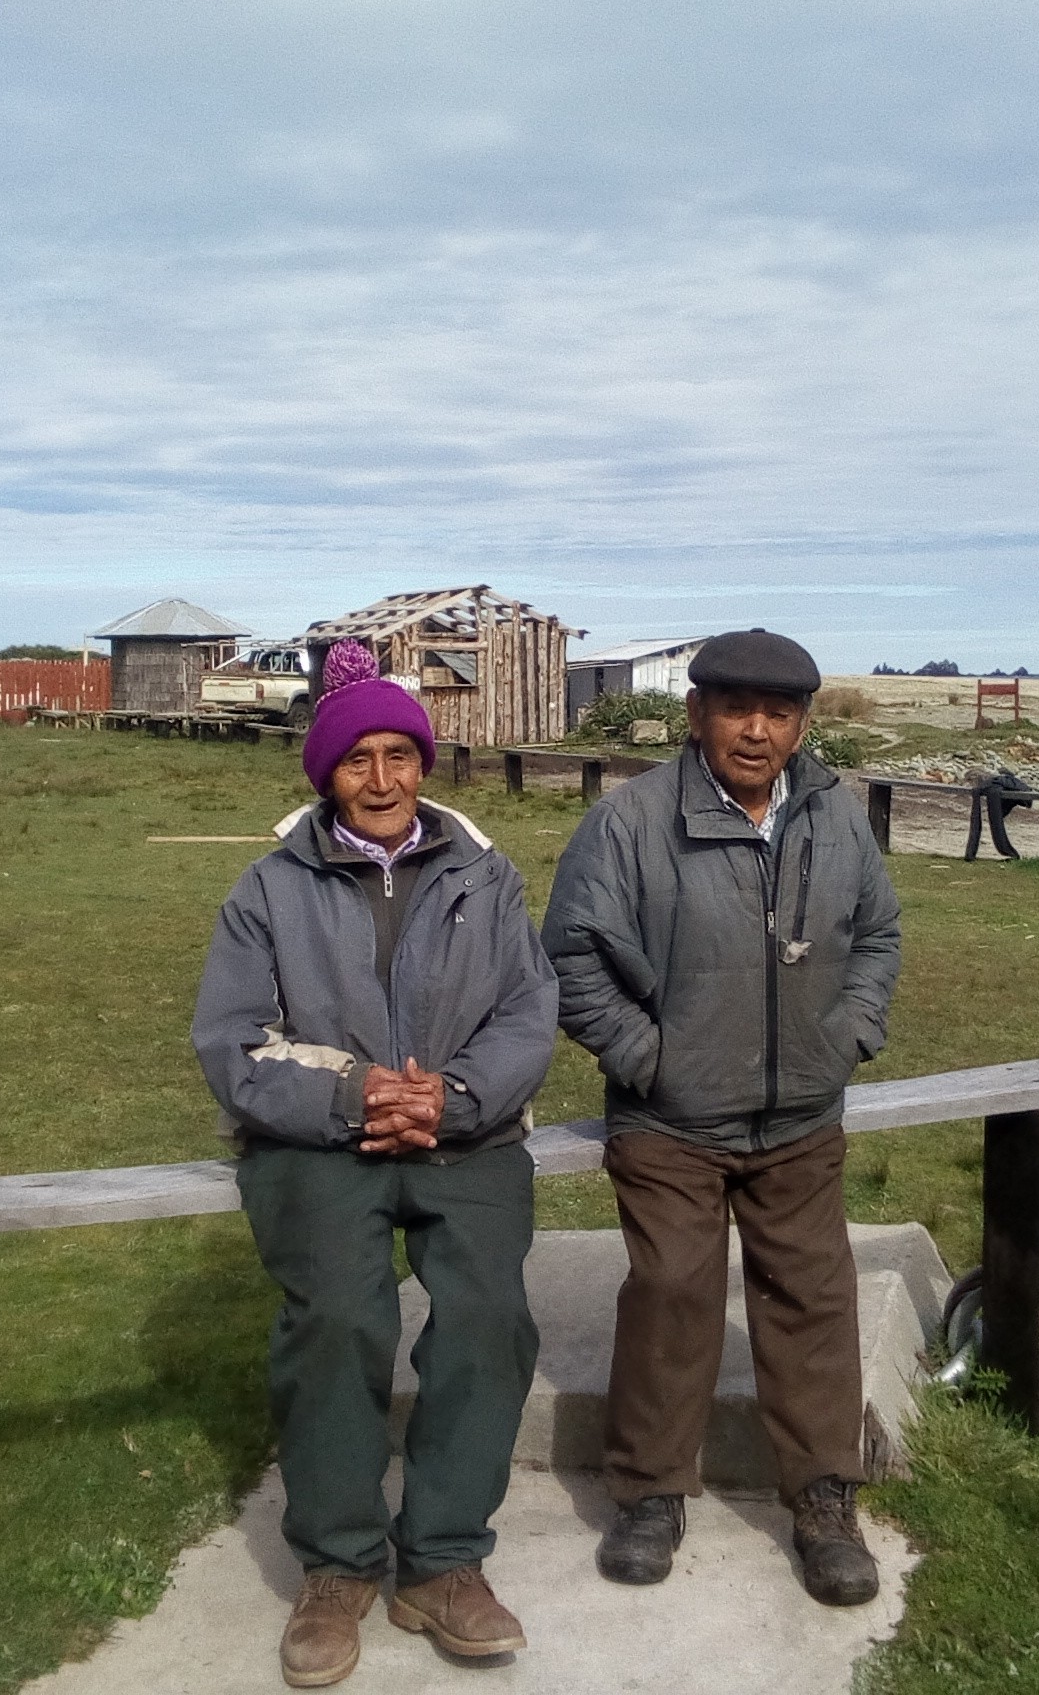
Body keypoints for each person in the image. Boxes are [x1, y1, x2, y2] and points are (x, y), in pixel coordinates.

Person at [192, 639, 557, 1687]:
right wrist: (356, 1097)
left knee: (488, 1317)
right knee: (339, 1321)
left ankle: (442, 1562)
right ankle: (340, 1565)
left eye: (402, 754)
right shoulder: (268, 888)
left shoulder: (487, 877)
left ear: (425, 765)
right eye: (360, 759)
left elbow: (529, 1011)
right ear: (326, 774)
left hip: (467, 1135)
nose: (384, 777)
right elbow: (231, 1041)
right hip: (320, 1142)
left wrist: (453, 1098)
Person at [541, 627, 902, 1605]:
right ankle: (651, 1494)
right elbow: (571, 954)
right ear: (695, 715)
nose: (754, 730)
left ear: (799, 725)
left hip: (798, 1117)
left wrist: (848, 1036)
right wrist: (646, 1059)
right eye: (733, 709)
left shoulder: (836, 818)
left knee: (812, 1299)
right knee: (672, 1293)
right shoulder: (630, 823)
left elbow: (876, 934)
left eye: (776, 713)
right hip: (671, 1124)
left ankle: (824, 1496)